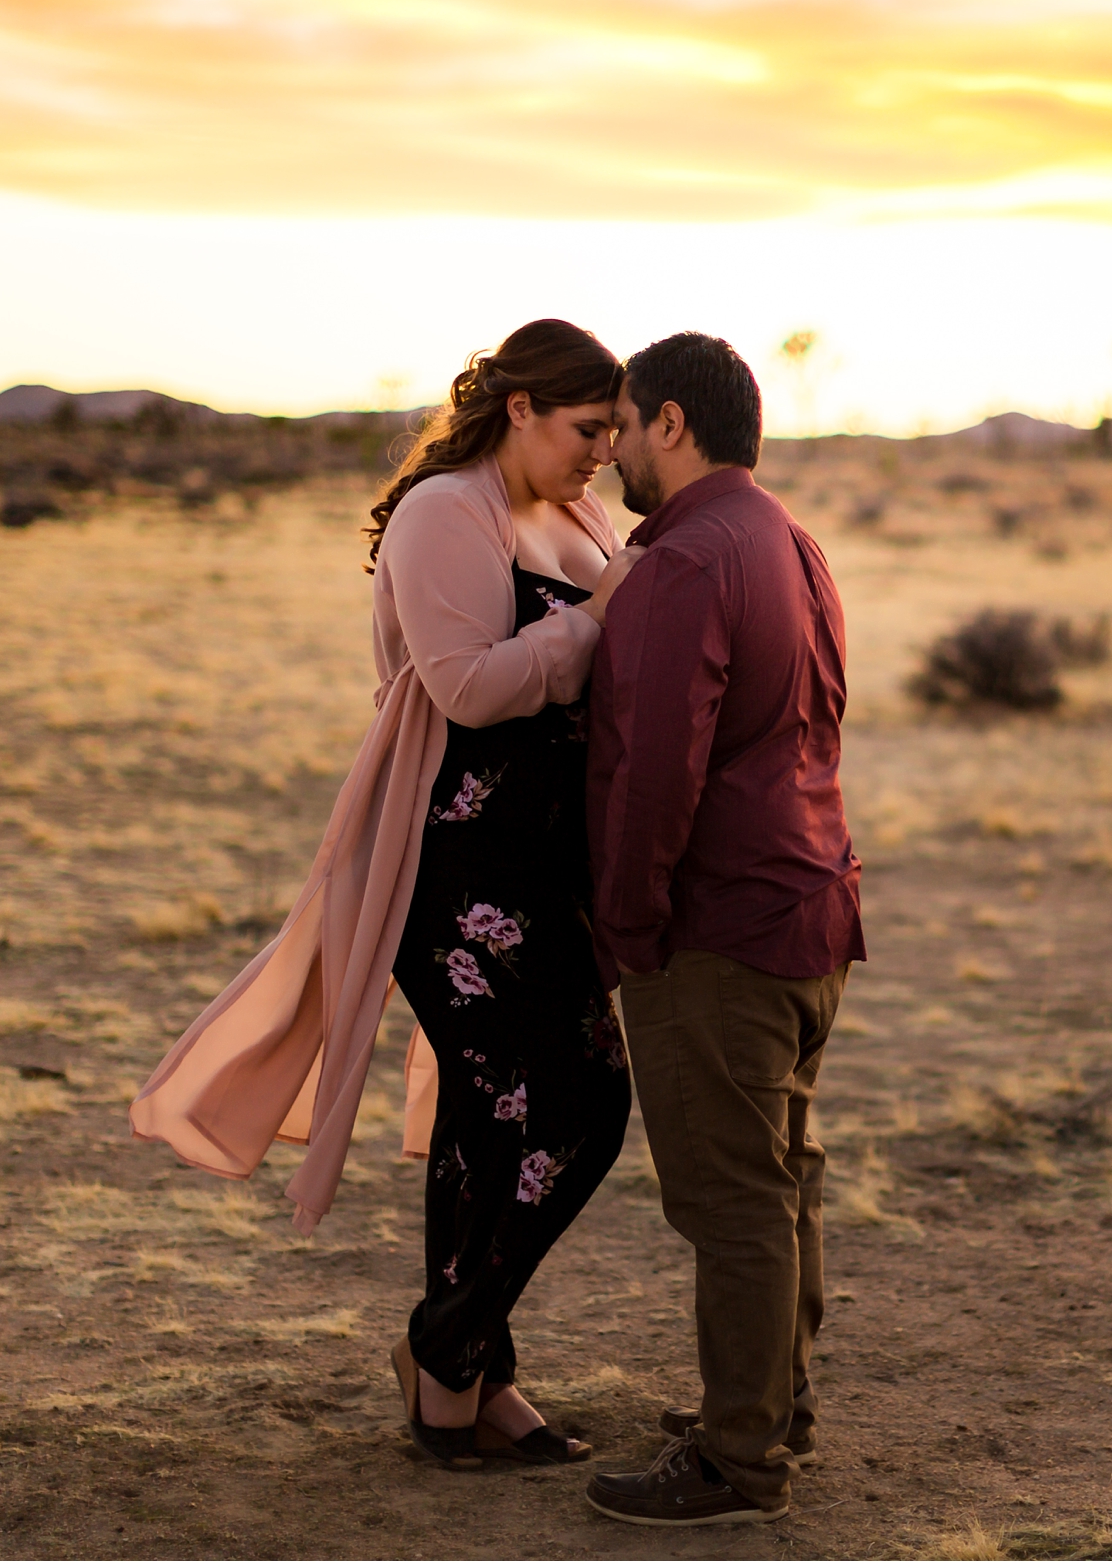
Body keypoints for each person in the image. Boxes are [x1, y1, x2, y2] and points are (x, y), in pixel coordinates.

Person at [129, 318, 644, 1472]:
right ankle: (441, 1343)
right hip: (450, 864)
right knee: (581, 1105)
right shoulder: (443, 512)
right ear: (519, 408)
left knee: (488, 1115)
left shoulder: (576, 515)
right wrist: (603, 621)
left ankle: (466, 1385)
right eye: (585, 427)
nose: (603, 451)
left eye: (615, 431)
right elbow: (464, 688)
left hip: (541, 865)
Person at [580, 332, 866, 1527]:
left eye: (626, 426)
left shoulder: (685, 561)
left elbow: (655, 772)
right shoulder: (790, 543)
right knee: (781, 1177)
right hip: (809, 906)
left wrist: (627, 924)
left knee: (731, 1196)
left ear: (676, 425)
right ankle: (769, 1406)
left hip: (719, 930)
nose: (612, 456)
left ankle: (740, 1462)